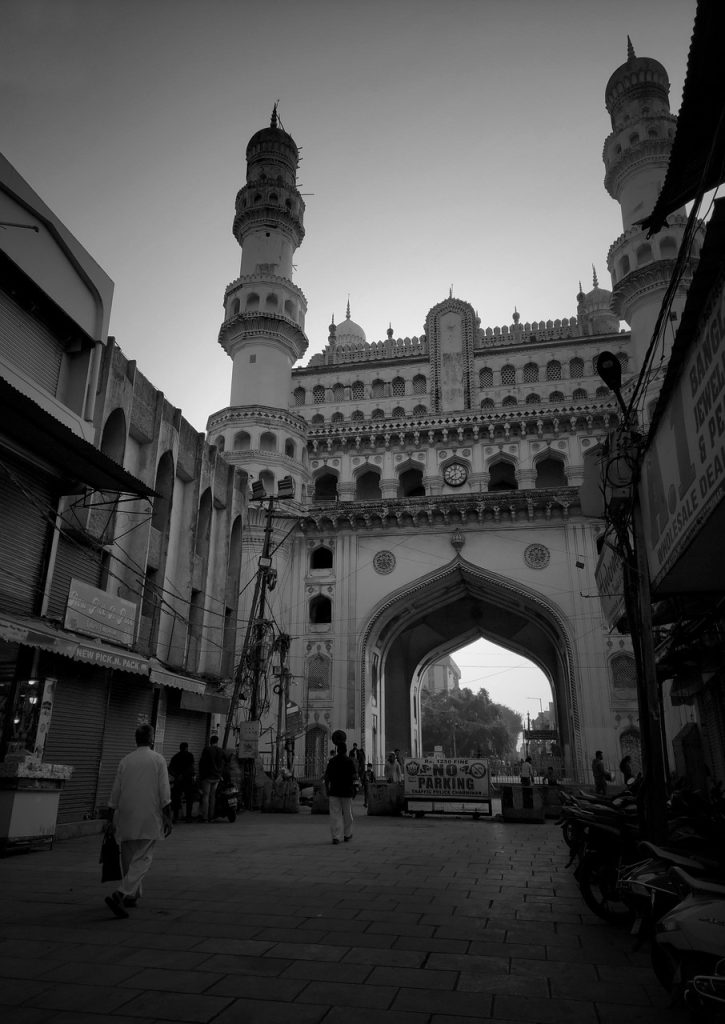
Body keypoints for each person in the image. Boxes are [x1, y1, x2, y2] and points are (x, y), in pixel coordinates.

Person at [104, 723, 172, 919]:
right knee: (143, 858)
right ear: (151, 739)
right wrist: (168, 815)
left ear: (136, 739)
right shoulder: (158, 760)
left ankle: (133, 895)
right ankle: (121, 893)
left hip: (126, 815)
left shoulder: (125, 761)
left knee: (128, 857)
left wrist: (110, 817)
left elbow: (115, 790)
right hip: (149, 815)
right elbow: (164, 790)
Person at [324, 740, 356, 844]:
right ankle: (347, 834)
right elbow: (354, 777)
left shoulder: (332, 761)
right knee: (348, 814)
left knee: (335, 815)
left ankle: (336, 837)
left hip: (334, 791)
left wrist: (327, 789)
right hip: (347, 792)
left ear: (337, 750)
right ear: (346, 750)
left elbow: (326, 777)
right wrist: (354, 789)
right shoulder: (349, 761)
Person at [198, 734, 224, 822]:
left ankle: (205, 817)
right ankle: (211, 816)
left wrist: (201, 775)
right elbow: (224, 761)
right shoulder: (220, 750)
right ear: (217, 741)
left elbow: (202, 763)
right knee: (213, 796)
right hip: (217, 777)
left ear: (210, 741)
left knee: (206, 796)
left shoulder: (207, 749)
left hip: (207, 777)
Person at [168, 742, 195, 822]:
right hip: (188, 780)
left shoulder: (175, 757)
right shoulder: (190, 756)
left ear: (180, 748)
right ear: (187, 748)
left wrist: (176, 775)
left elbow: (169, 768)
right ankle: (188, 816)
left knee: (176, 798)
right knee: (189, 798)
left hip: (178, 781)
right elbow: (191, 767)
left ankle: (176, 816)